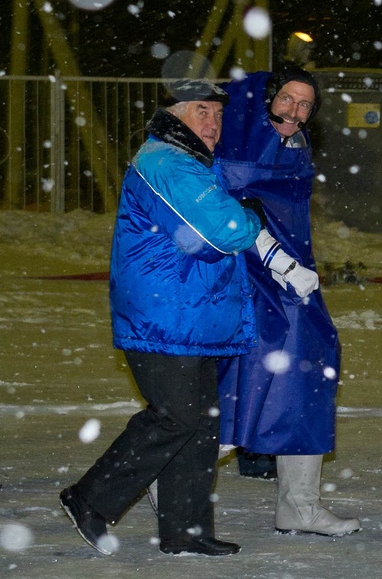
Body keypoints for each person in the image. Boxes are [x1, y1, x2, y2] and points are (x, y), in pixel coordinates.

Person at [59, 80, 262, 557]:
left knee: (201, 424)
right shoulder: (166, 162)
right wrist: (251, 214)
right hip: (163, 318)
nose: (212, 123)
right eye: (200, 111)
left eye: (216, 113)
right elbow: (223, 232)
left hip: (192, 319)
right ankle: (89, 497)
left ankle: (185, 530)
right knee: (175, 418)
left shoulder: (186, 162)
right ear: (173, 116)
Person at [212, 66, 361, 537]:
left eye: (305, 105)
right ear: (266, 100)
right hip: (254, 285)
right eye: (287, 100)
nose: (294, 112)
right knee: (250, 385)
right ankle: (169, 473)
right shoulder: (240, 145)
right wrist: (278, 263)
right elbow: (235, 214)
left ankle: (299, 503)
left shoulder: (291, 144)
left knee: (302, 379)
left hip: (291, 287)